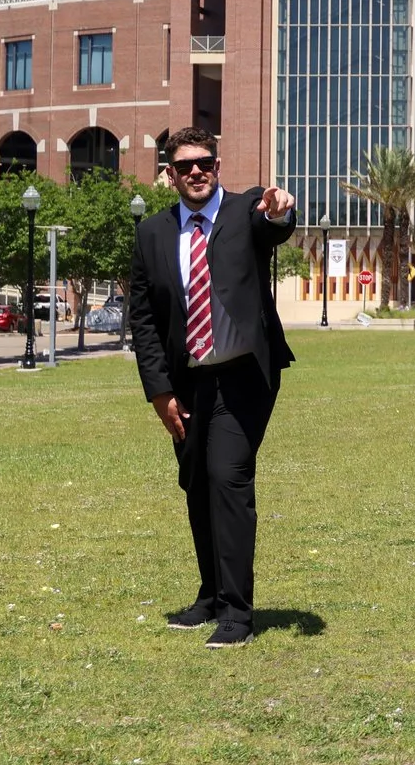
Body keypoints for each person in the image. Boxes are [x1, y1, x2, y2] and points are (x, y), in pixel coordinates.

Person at [124, 128, 299, 649]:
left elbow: (275, 226)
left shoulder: (246, 212)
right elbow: (145, 321)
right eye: (184, 166)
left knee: (227, 477)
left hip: (244, 374)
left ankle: (238, 614)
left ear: (217, 166)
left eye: (204, 162)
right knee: (197, 483)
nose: (196, 172)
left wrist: (279, 210)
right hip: (187, 381)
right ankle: (211, 593)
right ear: (169, 175)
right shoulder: (152, 234)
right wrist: (159, 392)